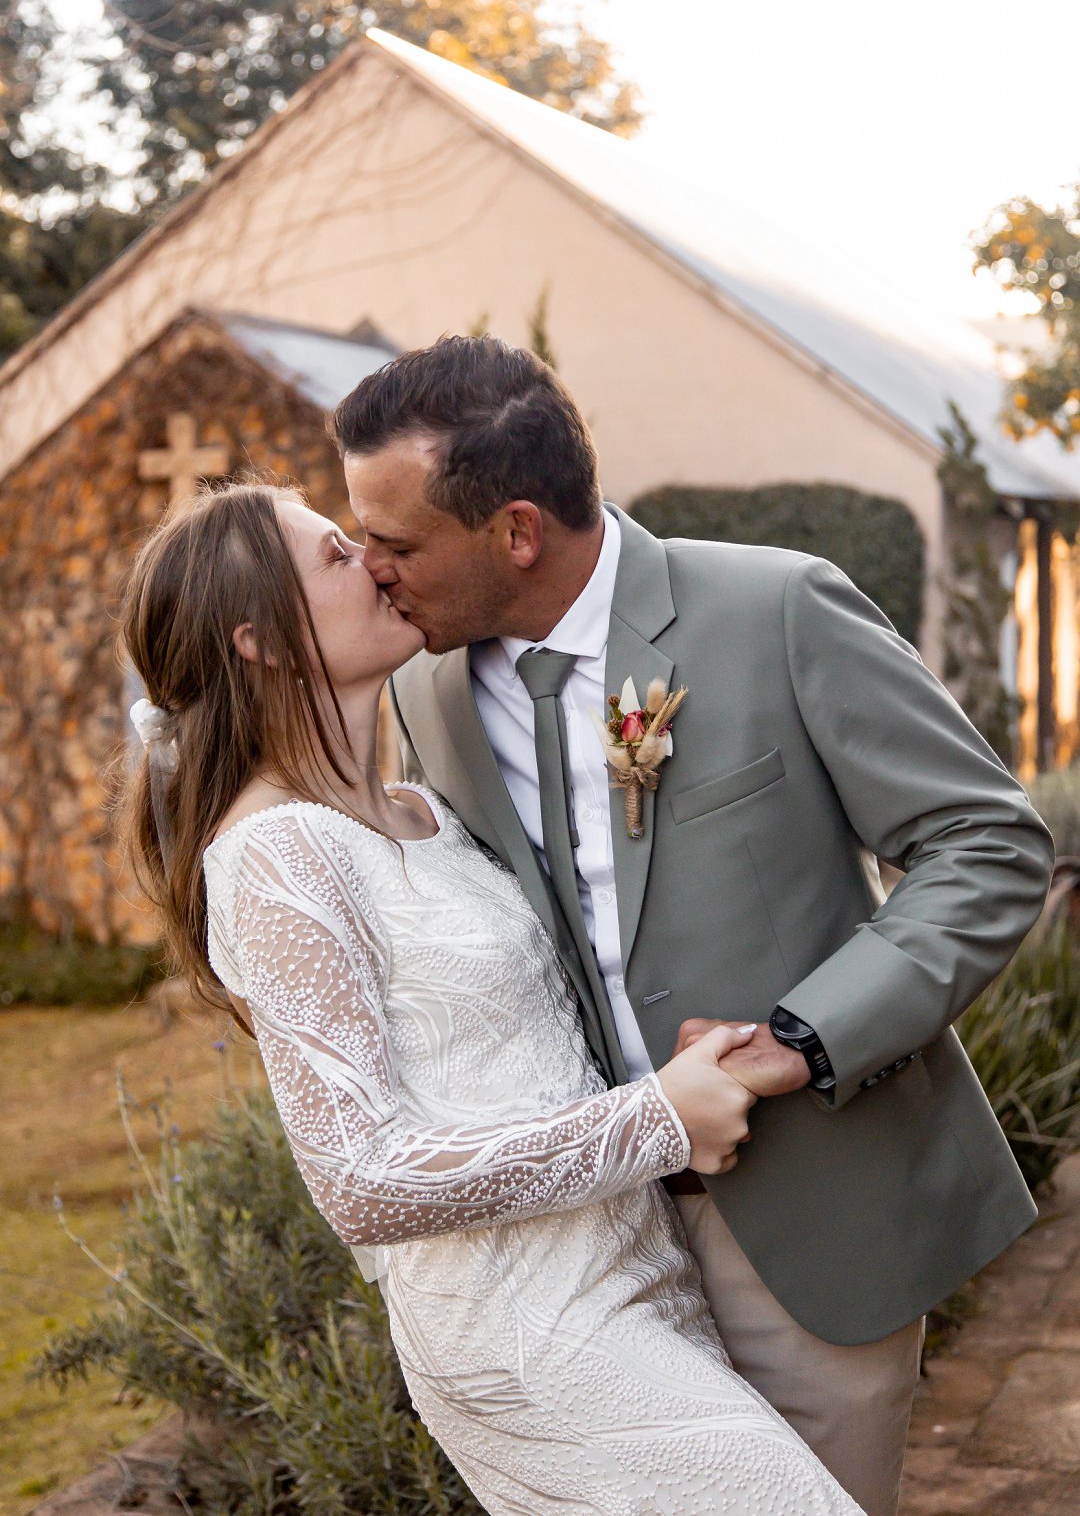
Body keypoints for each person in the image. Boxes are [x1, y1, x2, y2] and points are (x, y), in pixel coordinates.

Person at [331, 334, 1056, 1516]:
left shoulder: (777, 608)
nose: (371, 569)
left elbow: (986, 844)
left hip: (808, 1216)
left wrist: (807, 1036)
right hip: (586, 1251)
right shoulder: (425, 690)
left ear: (517, 531)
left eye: (396, 542)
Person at [121, 479, 866, 1516]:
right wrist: (654, 1119)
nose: (375, 561)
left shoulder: (422, 809)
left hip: (638, 1276)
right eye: (335, 555)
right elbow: (360, 1176)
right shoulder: (276, 855)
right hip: (524, 1331)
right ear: (261, 642)